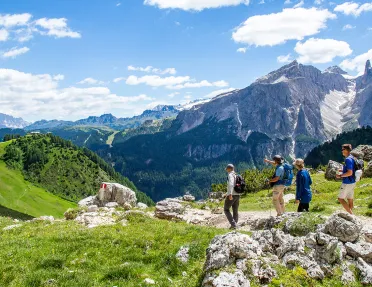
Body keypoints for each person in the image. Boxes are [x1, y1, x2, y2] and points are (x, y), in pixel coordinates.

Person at [336, 144, 356, 214]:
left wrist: (340, 176)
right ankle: (351, 214)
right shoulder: (352, 157)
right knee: (350, 198)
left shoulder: (348, 159)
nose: (342, 151)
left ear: (347, 150)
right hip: (352, 181)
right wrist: (342, 171)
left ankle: (351, 215)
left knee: (340, 198)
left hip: (347, 182)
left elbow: (350, 172)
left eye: (343, 149)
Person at [224, 164, 240, 229]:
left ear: (229, 169)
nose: (226, 170)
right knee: (235, 210)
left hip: (232, 195)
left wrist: (230, 194)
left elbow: (231, 184)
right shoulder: (236, 175)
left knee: (226, 209)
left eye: (227, 169)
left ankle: (233, 225)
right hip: (237, 195)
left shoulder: (230, 175)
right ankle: (234, 225)